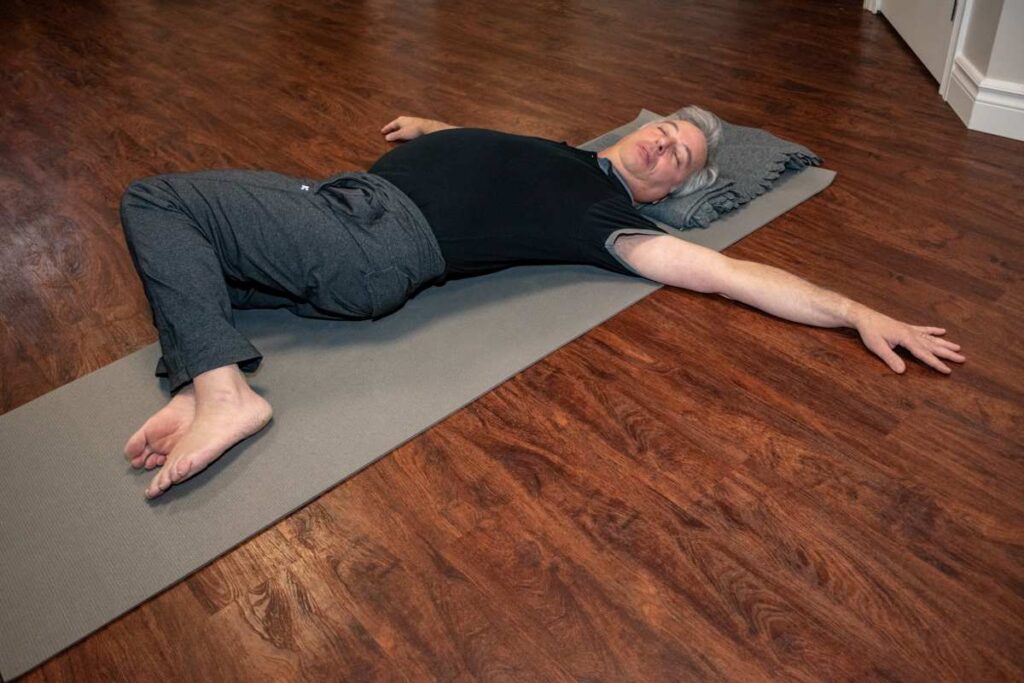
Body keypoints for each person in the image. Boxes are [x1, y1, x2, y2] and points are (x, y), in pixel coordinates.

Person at [119, 108, 966, 500]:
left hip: (371, 243)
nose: (667, 139)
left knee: (159, 202)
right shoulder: (572, 157)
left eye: (680, 155)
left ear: (671, 190)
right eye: (669, 124)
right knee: (203, 259)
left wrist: (856, 311)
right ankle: (200, 378)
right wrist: (435, 129)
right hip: (347, 206)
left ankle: (227, 394)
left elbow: (733, 273)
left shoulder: (611, 219)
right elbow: (503, 161)